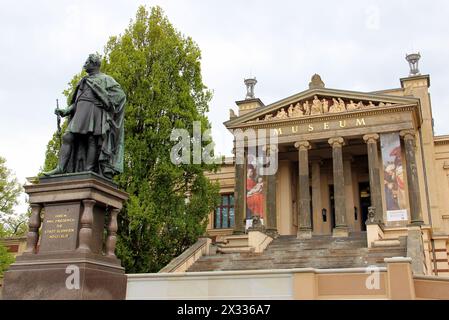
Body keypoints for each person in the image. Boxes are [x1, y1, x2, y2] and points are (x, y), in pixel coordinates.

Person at [44, 54, 126, 179]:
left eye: (87, 61)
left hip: (94, 111)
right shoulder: (83, 81)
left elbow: (120, 96)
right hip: (80, 112)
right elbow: (77, 101)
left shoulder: (106, 79)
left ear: (94, 64)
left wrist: (104, 101)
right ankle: (60, 168)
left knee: (91, 139)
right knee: (68, 136)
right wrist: (66, 111)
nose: (85, 64)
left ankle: (88, 171)